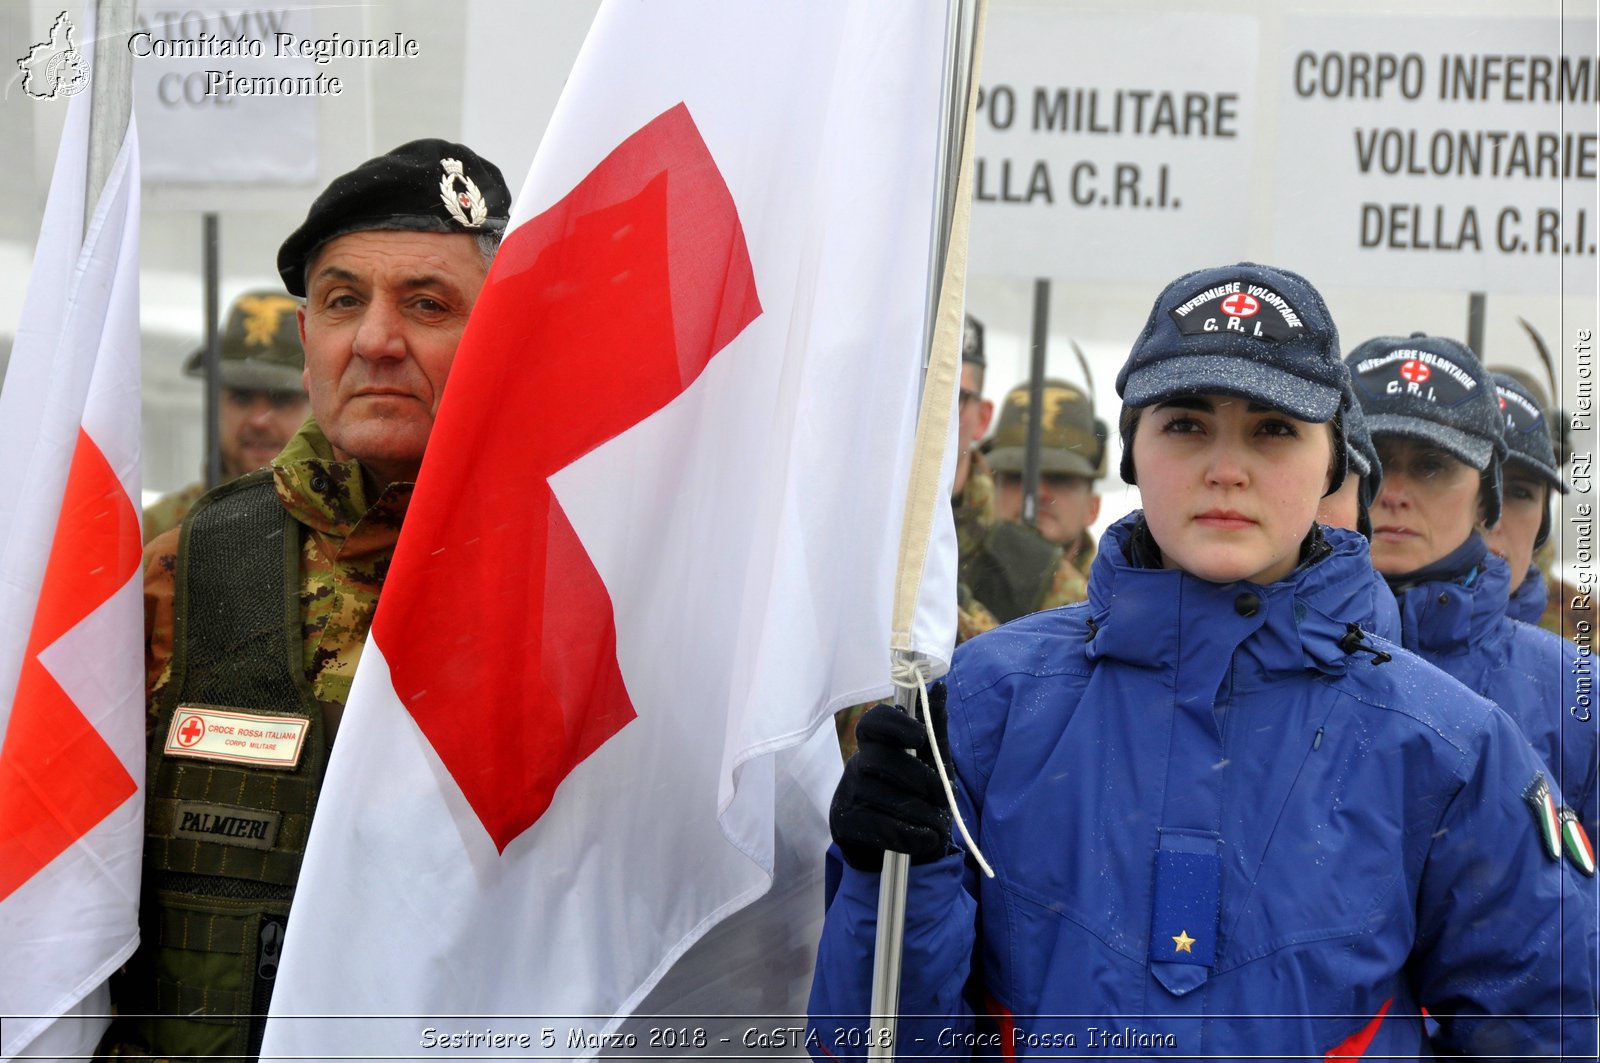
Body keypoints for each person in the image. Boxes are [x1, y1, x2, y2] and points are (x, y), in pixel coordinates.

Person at [809, 263, 1596, 1060]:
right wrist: (889, 886)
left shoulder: (1452, 746)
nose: (1227, 467)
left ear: (1333, 465)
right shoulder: (986, 703)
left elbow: (1548, 1028)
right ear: (1132, 451)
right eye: (1186, 423)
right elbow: (872, 1043)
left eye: (1273, 428)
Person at [104, 139, 511, 1060]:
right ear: (307, 342)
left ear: (502, 332)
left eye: (427, 303)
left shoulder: (575, 581)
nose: (374, 339)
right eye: (341, 301)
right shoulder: (187, 572)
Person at [1348, 334, 1597, 848]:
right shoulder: (1258, 641)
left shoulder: (1575, 678)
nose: (1395, 494)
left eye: (1432, 465)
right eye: (1373, 462)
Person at [141, 289, 310, 543]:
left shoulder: (351, 533)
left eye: (282, 399)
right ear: (216, 401)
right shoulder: (155, 533)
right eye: (241, 397)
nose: (259, 420)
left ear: (318, 404)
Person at [984, 377, 1105, 604]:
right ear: (991, 488)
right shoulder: (947, 580)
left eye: (1060, 478)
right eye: (1016, 476)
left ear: (1092, 507)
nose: (1037, 492)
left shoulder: (1112, 601)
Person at [1483, 372, 1569, 626]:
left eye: (1520, 492)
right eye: (1478, 487)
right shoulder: (1375, 621)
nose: (1492, 516)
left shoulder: (1583, 630)